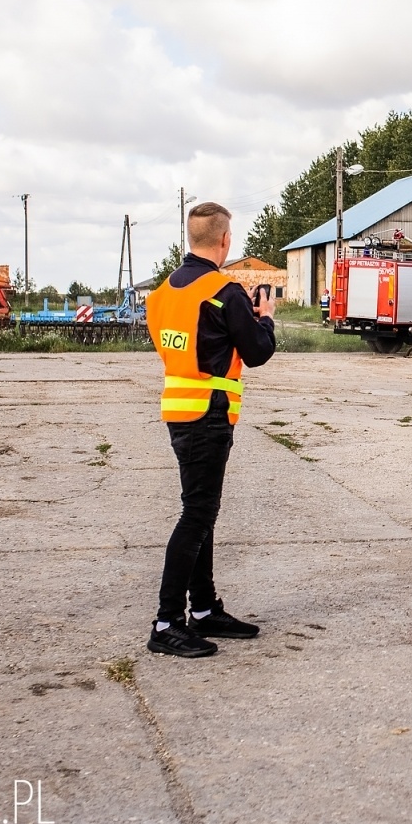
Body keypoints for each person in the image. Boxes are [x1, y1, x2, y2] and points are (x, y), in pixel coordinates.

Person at [145, 202, 277, 658]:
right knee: (197, 516)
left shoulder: (163, 293)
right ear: (225, 240)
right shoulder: (223, 291)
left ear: (190, 237)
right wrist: (266, 318)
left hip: (179, 412)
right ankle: (166, 623)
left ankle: (203, 609)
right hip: (209, 416)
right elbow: (257, 352)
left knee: (199, 511)